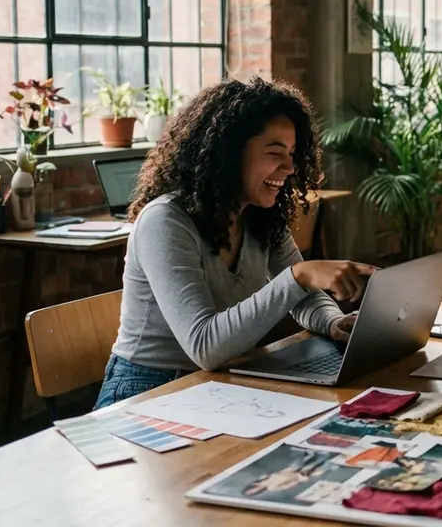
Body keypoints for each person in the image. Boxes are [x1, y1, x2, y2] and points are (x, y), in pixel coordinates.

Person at [95, 79, 373, 409]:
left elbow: (304, 299)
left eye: (292, 154)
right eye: (274, 154)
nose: (288, 168)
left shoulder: (260, 216)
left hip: (219, 383)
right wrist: (299, 276)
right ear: (228, 154)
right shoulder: (165, 221)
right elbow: (205, 347)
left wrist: (331, 321)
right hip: (146, 391)